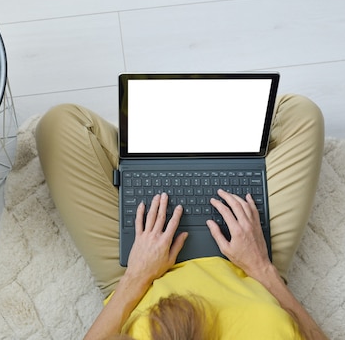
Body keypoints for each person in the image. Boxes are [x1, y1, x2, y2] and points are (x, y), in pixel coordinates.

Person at [35, 94, 328, 339]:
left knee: (58, 124)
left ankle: (149, 159)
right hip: (250, 269)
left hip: (139, 275)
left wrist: (137, 276)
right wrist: (263, 269)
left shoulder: (137, 276)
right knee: (301, 113)